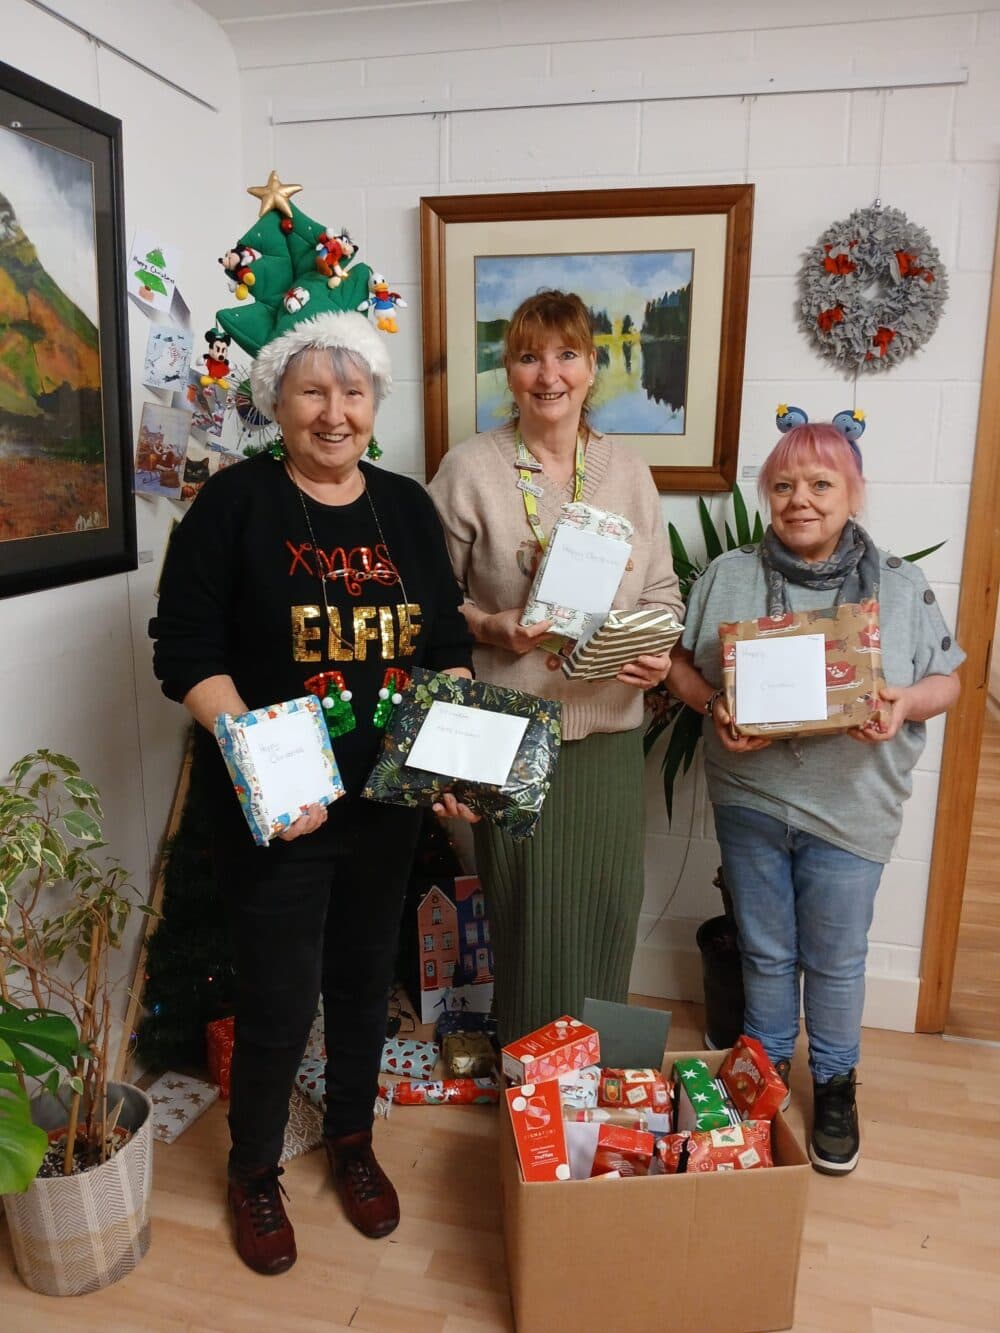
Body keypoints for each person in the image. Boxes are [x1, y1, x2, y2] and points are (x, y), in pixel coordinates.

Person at [150, 188, 475, 1277]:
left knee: (358, 979)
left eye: (349, 387)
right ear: (274, 398)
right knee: (280, 993)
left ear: (371, 399)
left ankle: (352, 1140)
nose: (332, 409)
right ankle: (253, 1167)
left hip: (384, 796)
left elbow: (440, 643)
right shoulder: (233, 506)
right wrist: (256, 756)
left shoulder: (404, 507)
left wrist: (457, 746)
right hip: (279, 809)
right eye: (309, 388)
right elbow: (183, 650)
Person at [664, 417, 963, 1175]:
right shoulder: (728, 575)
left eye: (821, 483)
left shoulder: (898, 583)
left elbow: (949, 679)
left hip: (853, 808)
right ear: (768, 493)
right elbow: (676, 666)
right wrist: (713, 706)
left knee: (835, 959)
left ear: (852, 493)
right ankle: (761, 1076)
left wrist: (901, 704)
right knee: (765, 952)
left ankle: (833, 1084)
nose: (802, 499)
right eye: (785, 484)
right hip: (754, 798)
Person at [428, 289, 683, 1045]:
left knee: (608, 902)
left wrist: (656, 651)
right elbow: (432, 603)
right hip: (510, 734)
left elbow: (664, 591)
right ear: (507, 369)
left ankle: (599, 1079)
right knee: (530, 914)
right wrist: (490, 625)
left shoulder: (629, 472)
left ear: (592, 365)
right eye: (529, 355)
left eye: (567, 354)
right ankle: (528, 1086)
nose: (550, 374)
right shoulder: (469, 468)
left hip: (607, 730)